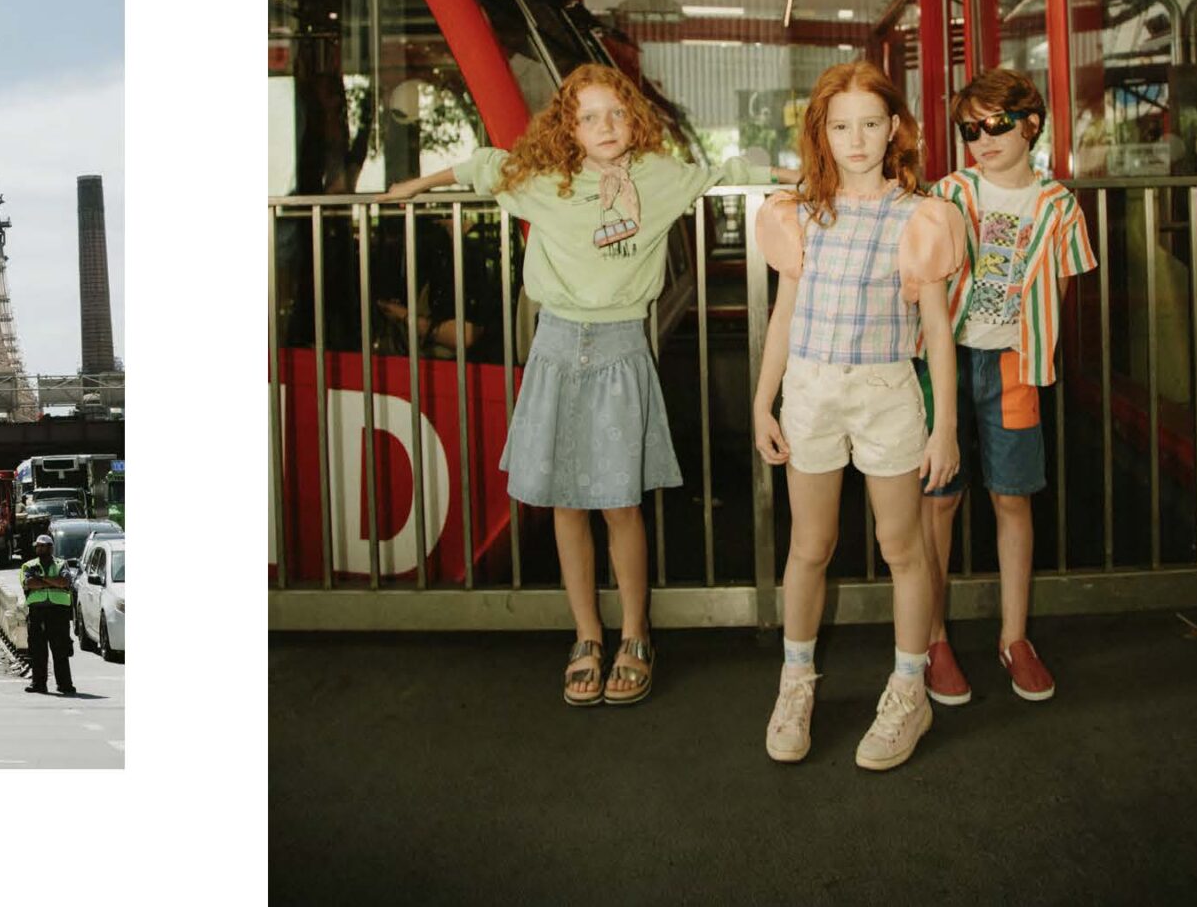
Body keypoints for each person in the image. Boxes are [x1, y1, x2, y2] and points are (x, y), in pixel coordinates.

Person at [384, 62, 793, 707]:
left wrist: (807, 177)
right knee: (565, 502)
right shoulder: (543, 178)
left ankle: (635, 634)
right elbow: (480, 165)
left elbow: (731, 171)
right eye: (589, 116)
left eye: (616, 113)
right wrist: (412, 184)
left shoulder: (659, 179)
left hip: (620, 347)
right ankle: (586, 636)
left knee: (618, 500)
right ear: (568, 128)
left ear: (634, 121)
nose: (605, 125)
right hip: (553, 347)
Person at [751, 60, 964, 771]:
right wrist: (763, 399)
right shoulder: (799, 214)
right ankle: (795, 683)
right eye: (841, 125)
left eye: (871, 123)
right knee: (810, 544)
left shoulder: (921, 216)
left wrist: (945, 426)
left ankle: (909, 689)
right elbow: (783, 315)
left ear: (894, 127)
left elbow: (936, 329)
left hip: (886, 392)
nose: (857, 138)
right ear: (822, 132)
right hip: (810, 390)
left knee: (902, 545)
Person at [917, 68, 1095, 706]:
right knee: (938, 498)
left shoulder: (1057, 205)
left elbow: (1062, 287)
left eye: (995, 124)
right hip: (946, 360)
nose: (983, 138)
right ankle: (932, 637)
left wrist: (1029, 343)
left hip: (1015, 363)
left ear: (1031, 125)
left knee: (1013, 497)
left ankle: (1013, 637)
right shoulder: (948, 193)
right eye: (971, 128)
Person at [20, 532, 76, 695]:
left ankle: (65, 685)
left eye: (44, 546)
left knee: (61, 650)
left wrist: (42, 580)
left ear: (51, 548)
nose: (40, 548)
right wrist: (53, 581)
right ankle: (38, 684)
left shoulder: (61, 564)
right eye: (38, 546)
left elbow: (65, 581)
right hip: (37, 612)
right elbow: (29, 583)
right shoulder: (29, 565)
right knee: (37, 651)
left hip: (58, 612)